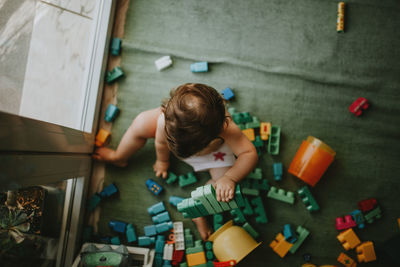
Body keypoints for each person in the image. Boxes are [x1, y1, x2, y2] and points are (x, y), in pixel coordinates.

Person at [93, 83, 258, 240]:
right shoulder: (165, 119)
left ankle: (199, 209)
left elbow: (248, 153)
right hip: (178, 139)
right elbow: (161, 143)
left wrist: (230, 178)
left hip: (214, 155)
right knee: (141, 122)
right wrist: (162, 160)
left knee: (223, 185)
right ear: (165, 109)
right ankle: (119, 157)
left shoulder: (225, 127)